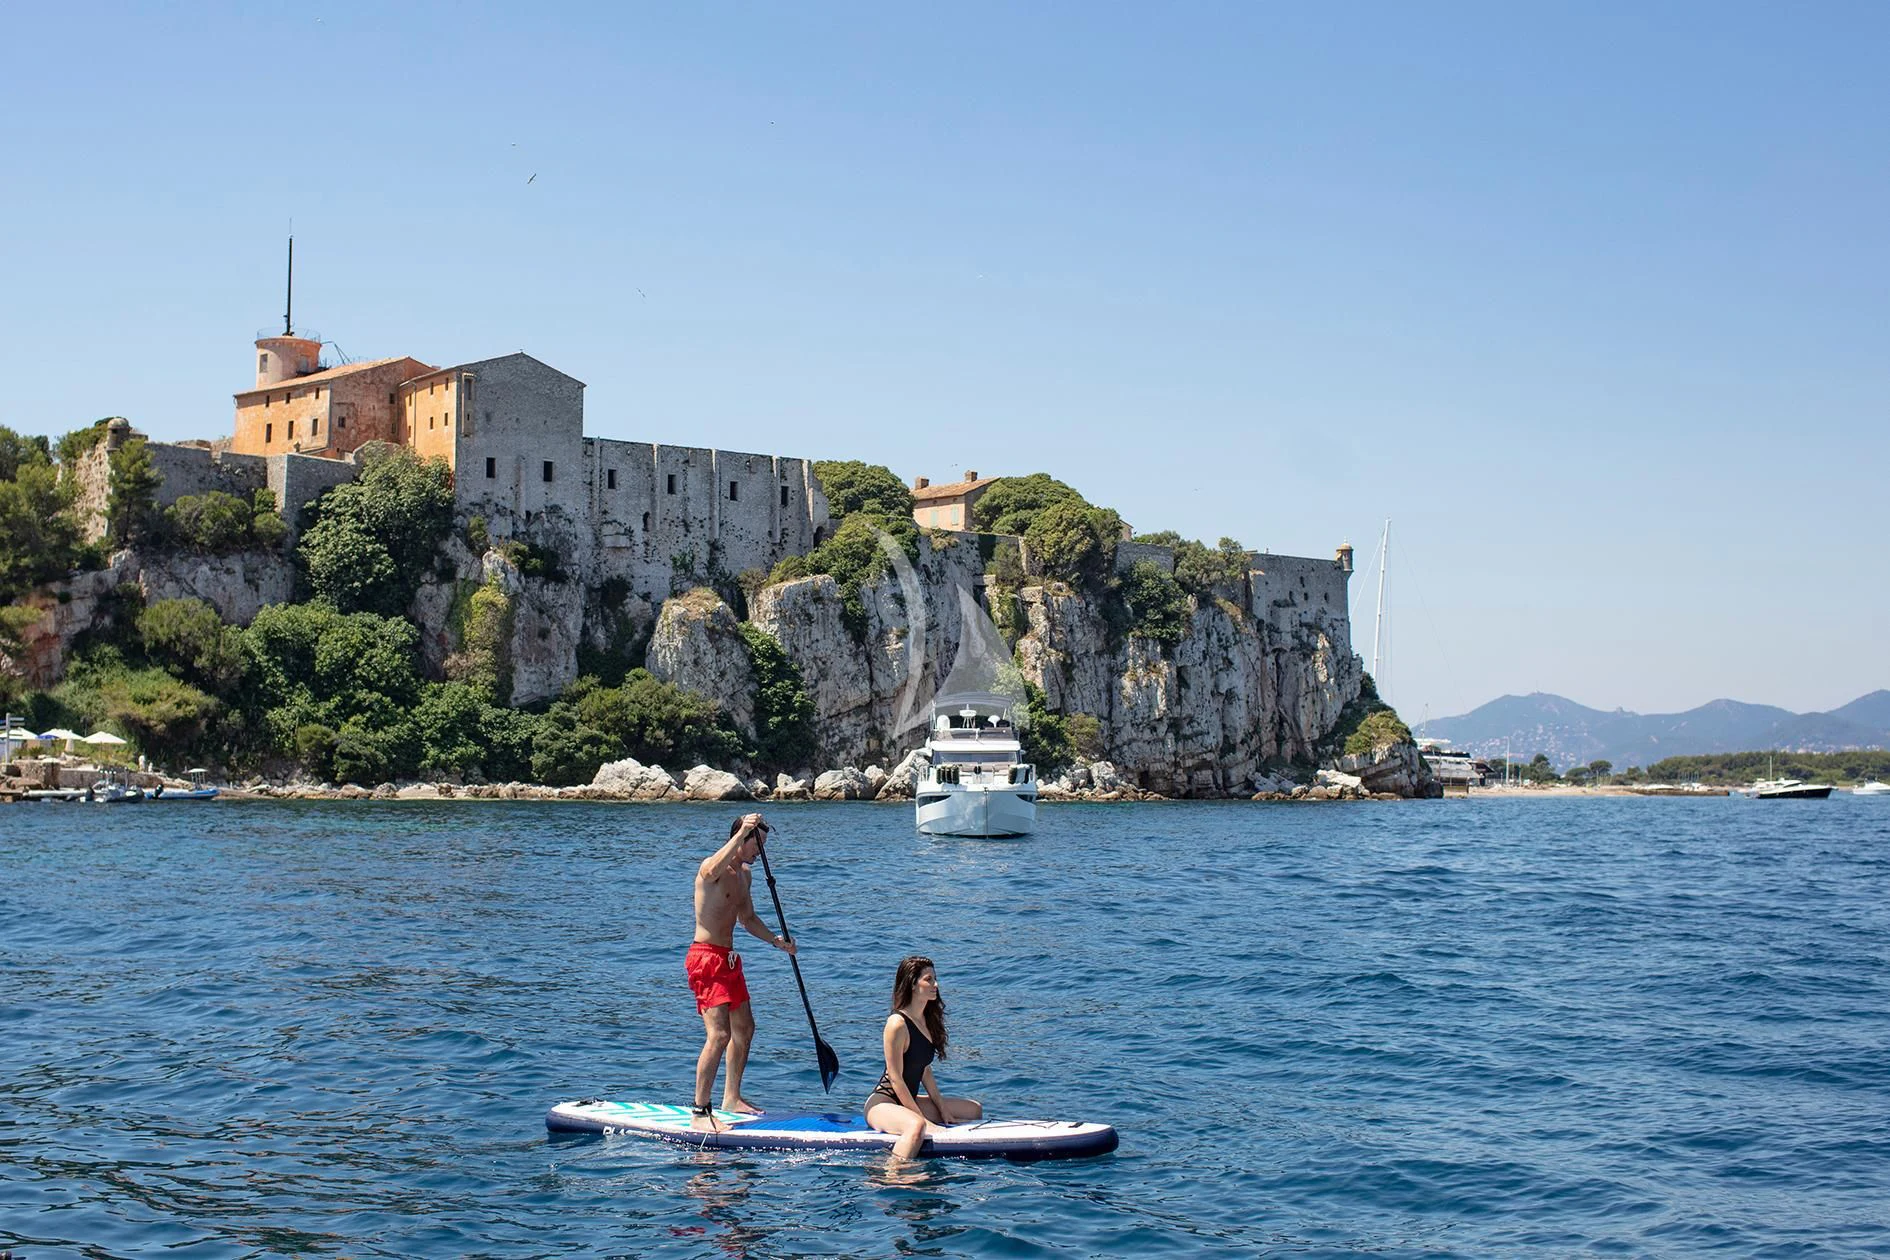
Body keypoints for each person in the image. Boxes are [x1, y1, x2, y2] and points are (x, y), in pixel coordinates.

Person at [687, 812, 797, 1131]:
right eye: (758, 844)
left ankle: (731, 1098)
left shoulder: (745, 875)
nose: (760, 853)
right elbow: (708, 870)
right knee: (719, 1035)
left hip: (729, 960)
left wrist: (777, 941)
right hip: (705, 958)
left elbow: (747, 919)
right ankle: (700, 1113)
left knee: (745, 1029)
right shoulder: (714, 866)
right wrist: (739, 835)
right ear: (743, 838)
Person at [864, 955, 982, 1159]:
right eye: (928, 979)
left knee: (973, 1110)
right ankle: (893, 1174)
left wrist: (942, 1109)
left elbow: (924, 1069)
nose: (935, 984)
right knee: (916, 1126)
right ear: (912, 983)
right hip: (883, 1103)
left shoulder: (926, 1021)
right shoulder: (897, 1023)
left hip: (908, 1100)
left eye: (935, 978)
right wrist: (922, 1119)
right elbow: (895, 1078)